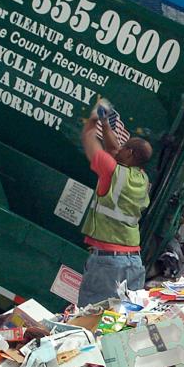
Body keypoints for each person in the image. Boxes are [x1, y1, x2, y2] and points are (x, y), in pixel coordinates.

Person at [77, 112, 153, 307]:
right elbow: (114, 148)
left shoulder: (111, 171)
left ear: (130, 154)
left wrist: (93, 120)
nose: (120, 148)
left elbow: (89, 140)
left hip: (108, 265)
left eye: (125, 147)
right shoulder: (142, 179)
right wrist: (106, 124)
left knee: (92, 320)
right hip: (133, 262)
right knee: (123, 321)